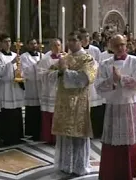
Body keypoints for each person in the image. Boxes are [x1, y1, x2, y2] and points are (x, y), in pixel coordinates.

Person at [95, 34, 136, 180]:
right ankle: (111, 172)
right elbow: (98, 86)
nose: (120, 48)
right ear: (110, 47)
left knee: (130, 140)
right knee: (113, 141)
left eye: (122, 44)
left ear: (126, 45)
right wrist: (112, 80)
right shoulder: (105, 64)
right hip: (113, 106)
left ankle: (131, 172)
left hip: (129, 106)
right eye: (116, 45)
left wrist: (121, 78)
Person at [50, 31, 97, 176]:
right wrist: (58, 72)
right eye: (68, 40)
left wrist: (65, 71)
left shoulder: (88, 59)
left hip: (79, 102)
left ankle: (79, 165)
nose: (70, 43)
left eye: (74, 40)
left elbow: (85, 78)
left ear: (81, 41)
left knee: (78, 134)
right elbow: (50, 75)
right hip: (64, 102)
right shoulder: (65, 58)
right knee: (65, 135)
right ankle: (65, 164)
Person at [0, 34, 24, 146]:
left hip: (15, 87)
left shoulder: (16, 54)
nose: (8, 43)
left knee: (16, 111)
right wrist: (11, 63)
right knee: (7, 113)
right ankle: (6, 137)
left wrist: (21, 75)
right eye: (5, 41)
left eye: (10, 41)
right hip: (5, 88)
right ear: (1, 43)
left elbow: (20, 69)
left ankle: (17, 136)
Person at [79, 28, 106, 139]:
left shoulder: (95, 50)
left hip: (93, 82)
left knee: (95, 108)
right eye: (83, 37)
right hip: (82, 82)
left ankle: (96, 131)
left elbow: (100, 64)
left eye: (87, 37)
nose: (86, 39)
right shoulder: (77, 50)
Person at [37, 38, 63, 145]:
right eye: (55, 45)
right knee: (50, 114)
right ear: (51, 47)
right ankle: (50, 138)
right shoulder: (45, 59)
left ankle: (60, 138)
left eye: (59, 45)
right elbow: (41, 74)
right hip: (50, 91)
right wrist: (54, 71)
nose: (57, 47)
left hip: (61, 90)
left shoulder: (65, 58)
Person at [20, 38, 43, 141]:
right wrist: (36, 66)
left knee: (40, 109)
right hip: (31, 86)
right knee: (32, 110)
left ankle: (41, 131)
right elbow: (24, 72)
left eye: (35, 43)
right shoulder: (24, 57)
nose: (34, 45)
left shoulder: (41, 55)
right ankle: (32, 132)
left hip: (41, 86)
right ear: (27, 45)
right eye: (31, 43)